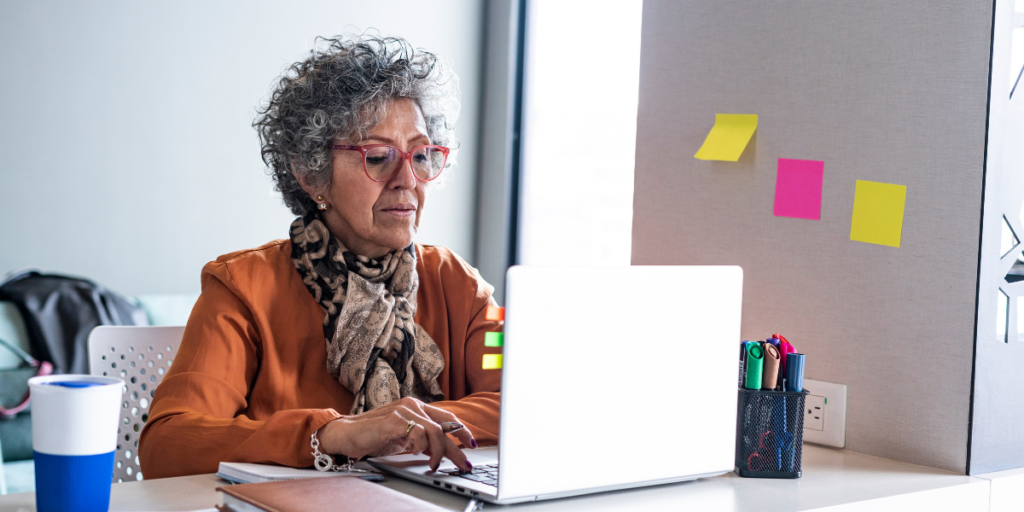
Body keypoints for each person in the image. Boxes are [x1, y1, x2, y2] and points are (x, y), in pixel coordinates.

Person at [139, 35, 501, 479]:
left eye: (421, 155)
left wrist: (408, 429)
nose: (408, 179)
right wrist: (335, 434)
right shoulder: (242, 287)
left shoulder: (458, 285)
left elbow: (522, 401)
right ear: (311, 174)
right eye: (379, 156)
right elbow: (169, 444)